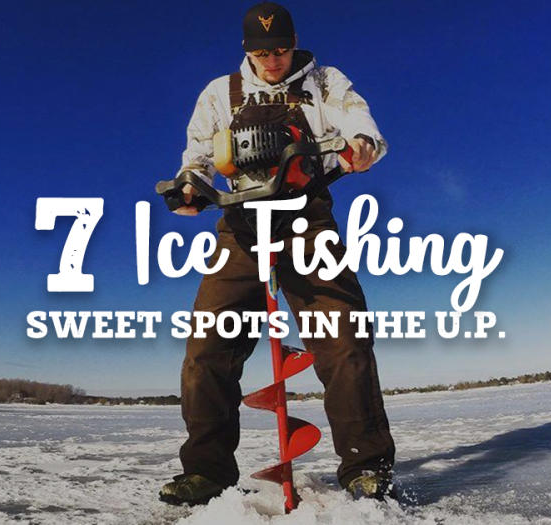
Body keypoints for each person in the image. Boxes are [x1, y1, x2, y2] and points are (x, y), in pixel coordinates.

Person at [159, 2, 396, 505]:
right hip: (241, 224)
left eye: (281, 49)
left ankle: (365, 467)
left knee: (343, 338)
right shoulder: (220, 93)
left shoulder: (325, 83)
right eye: (262, 52)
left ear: (294, 43)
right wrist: (188, 187)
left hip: (306, 218)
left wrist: (362, 145)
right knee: (208, 349)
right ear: (247, 50)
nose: (273, 61)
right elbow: (198, 156)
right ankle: (205, 472)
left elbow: (360, 122)